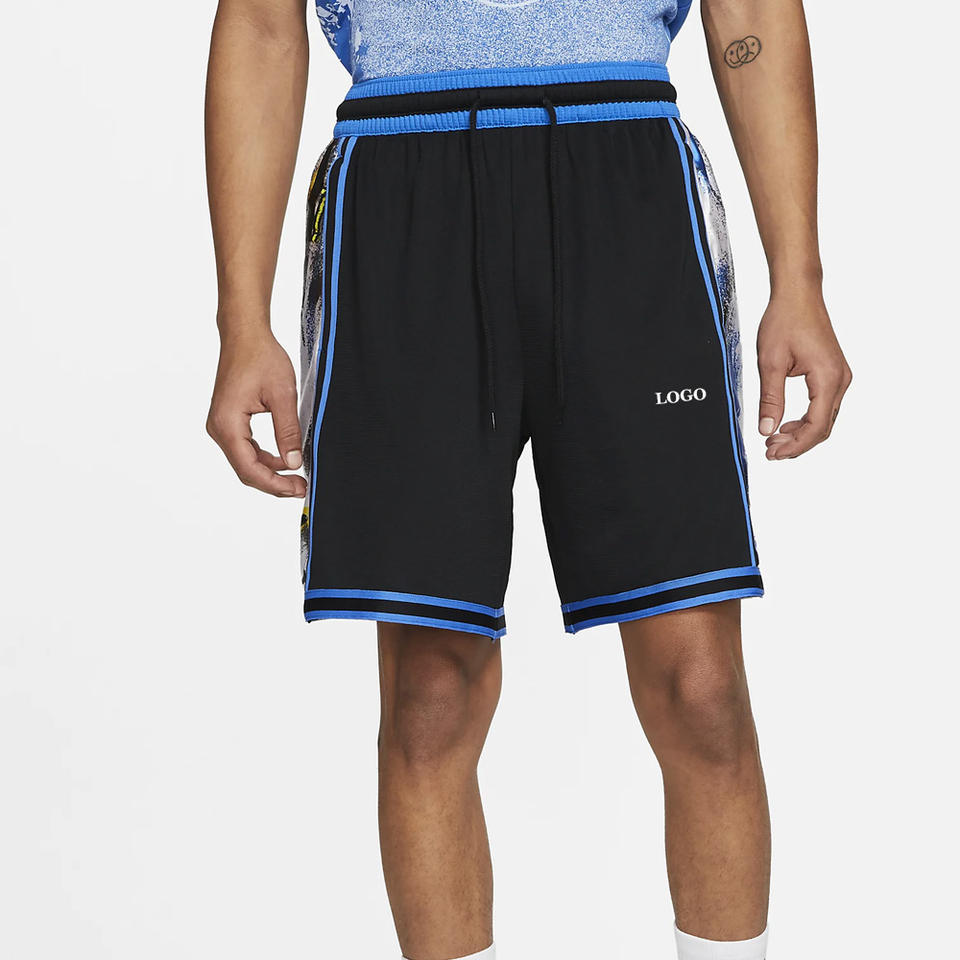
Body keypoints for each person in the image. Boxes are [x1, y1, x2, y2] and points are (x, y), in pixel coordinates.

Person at [204, 1, 851, 957]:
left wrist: (800, 279)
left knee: (701, 688)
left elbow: (748, 11)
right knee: (430, 696)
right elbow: (261, 24)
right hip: (403, 189)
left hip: (625, 178)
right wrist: (241, 321)